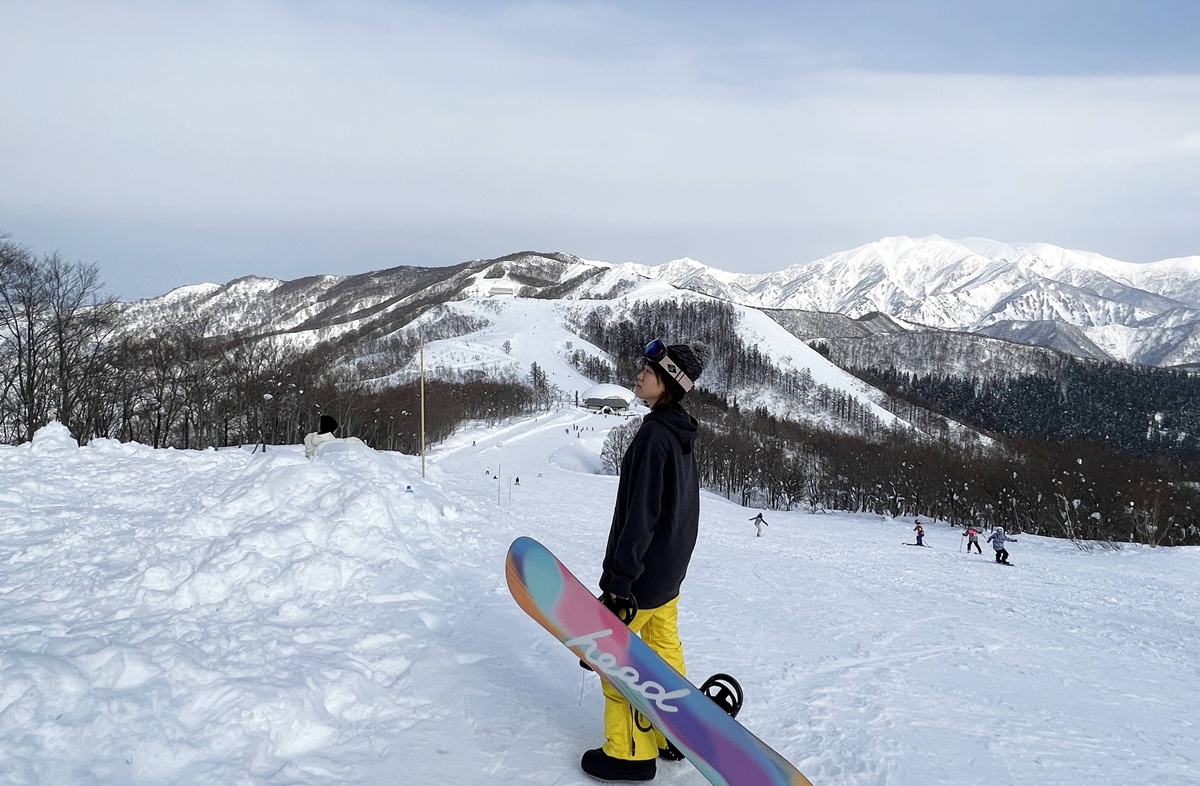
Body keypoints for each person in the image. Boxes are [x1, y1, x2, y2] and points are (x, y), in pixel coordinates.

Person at [581, 339, 709, 783]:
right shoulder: (680, 429)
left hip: (642, 578)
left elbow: (642, 515)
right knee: (664, 651)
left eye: (649, 371)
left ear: (668, 384)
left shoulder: (655, 436)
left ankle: (629, 753)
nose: (639, 375)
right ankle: (670, 732)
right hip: (667, 575)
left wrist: (620, 581)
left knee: (618, 661)